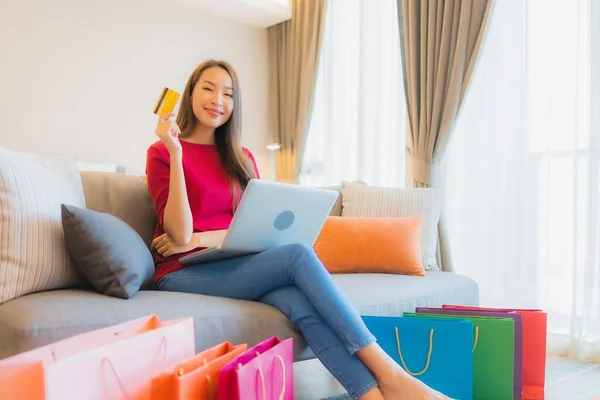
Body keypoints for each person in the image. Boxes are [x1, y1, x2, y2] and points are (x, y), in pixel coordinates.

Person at [145, 59, 451, 400]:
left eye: (228, 94)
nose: (218, 99)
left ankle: (373, 396)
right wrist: (175, 152)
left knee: (298, 303)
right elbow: (180, 236)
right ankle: (391, 374)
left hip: (231, 261)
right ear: (189, 95)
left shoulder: (242, 157)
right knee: (297, 255)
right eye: (208, 88)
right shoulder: (162, 153)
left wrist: (208, 237)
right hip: (180, 270)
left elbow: (254, 227)